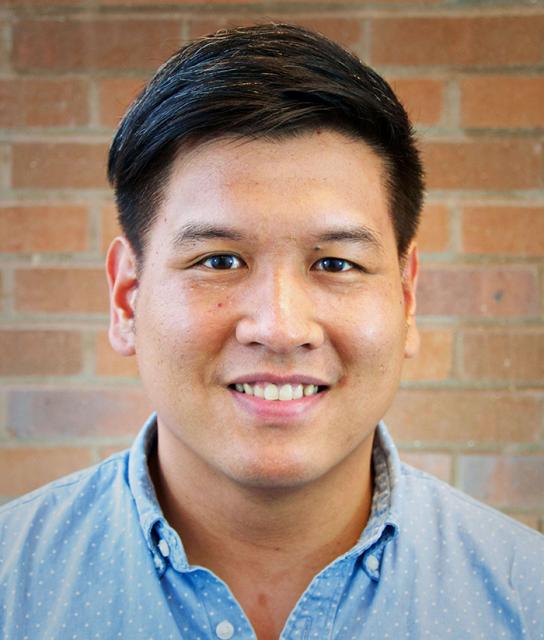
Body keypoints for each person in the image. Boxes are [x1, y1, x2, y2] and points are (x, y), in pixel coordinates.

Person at [1, 23, 542, 640]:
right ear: (128, 297)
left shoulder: (525, 596)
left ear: (406, 295)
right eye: (219, 261)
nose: (280, 328)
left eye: (336, 264)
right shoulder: (11, 585)